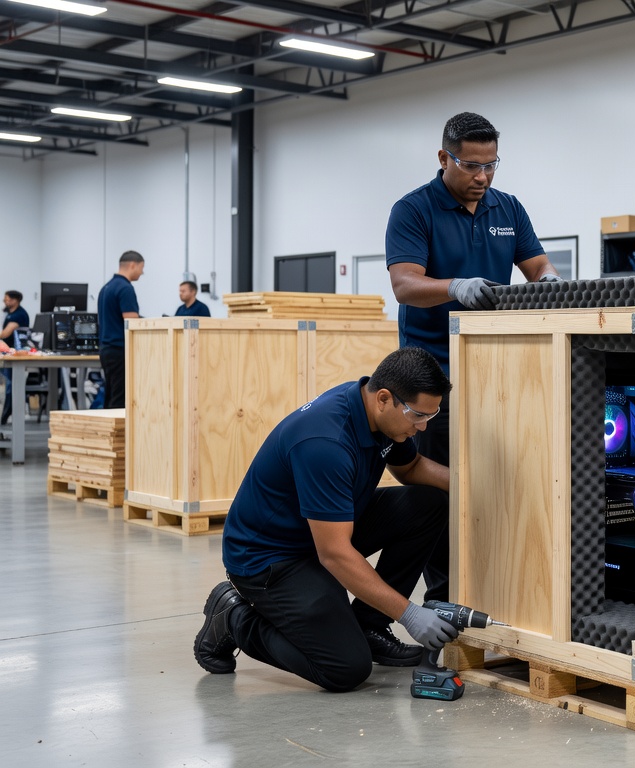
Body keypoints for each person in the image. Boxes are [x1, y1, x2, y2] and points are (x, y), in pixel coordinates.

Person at [193, 347, 461, 692]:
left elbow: (411, 468)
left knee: (428, 505)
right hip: (270, 560)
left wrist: (470, 486)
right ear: (384, 399)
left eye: (430, 415)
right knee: (345, 668)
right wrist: (409, 613)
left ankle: (370, 626)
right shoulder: (326, 442)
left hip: (321, 530)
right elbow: (334, 554)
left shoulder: (375, 412)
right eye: (416, 415)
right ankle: (232, 618)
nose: (422, 426)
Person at [384, 111, 558, 604]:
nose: (482, 177)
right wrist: (454, 288)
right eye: (471, 165)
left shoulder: (507, 207)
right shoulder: (414, 209)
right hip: (431, 374)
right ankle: (444, 601)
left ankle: (497, 587)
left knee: (494, 478)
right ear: (445, 158)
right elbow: (405, 284)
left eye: (492, 165)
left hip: (494, 370)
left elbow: (537, 264)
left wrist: (549, 283)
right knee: (440, 491)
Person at [97, 250, 144, 410]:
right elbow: (131, 322)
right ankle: (121, 435)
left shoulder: (106, 287)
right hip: (120, 350)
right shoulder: (125, 288)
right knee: (120, 399)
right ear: (133, 265)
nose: (142, 272)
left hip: (106, 350)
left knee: (110, 395)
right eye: (141, 268)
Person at [1, 289, 29, 425]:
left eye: (7, 299)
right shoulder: (10, 314)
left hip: (16, 355)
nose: (5, 301)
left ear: (15, 300)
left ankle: (7, 415)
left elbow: (5, 334)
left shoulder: (19, 315)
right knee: (8, 385)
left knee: (11, 387)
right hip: (8, 354)